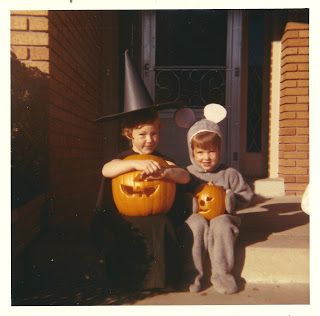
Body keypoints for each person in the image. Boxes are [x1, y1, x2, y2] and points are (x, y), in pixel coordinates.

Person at [93, 108, 189, 290]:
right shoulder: (122, 158)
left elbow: (184, 176)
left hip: (156, 212)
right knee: (123, 229)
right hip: (126, 213)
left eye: (154, 133)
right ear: (129, 134)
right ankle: (127, 280)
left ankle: (161, 280)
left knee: (163, 225)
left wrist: (166, 172)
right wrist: (135, 163)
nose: (149, 139)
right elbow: (106, 169)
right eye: (142, 134)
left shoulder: (161, 160)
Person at [183, 115, 254, 294]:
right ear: (192, 152)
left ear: (220, 150)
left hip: (224, 217)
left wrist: (230, 199)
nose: (206, 157)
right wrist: (190, 200)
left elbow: (246, 196)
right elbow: (178, 197)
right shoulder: (188, 173)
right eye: (200, 152)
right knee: (194, 223)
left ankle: (222, 275)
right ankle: (192, 274)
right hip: (198, 216)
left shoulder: (229, 173)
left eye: (211, 151)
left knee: (221, 224)